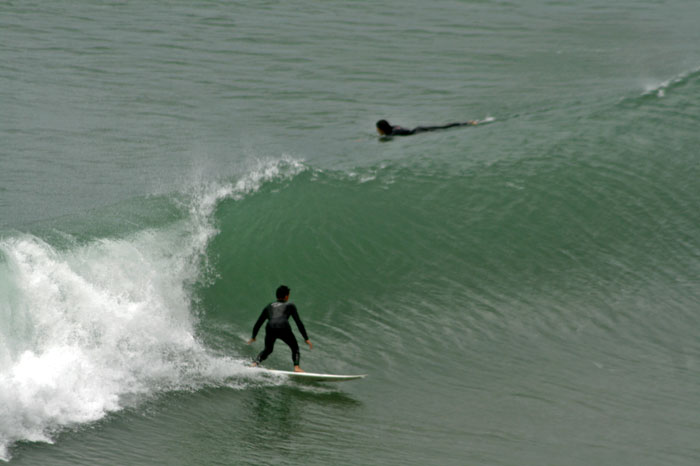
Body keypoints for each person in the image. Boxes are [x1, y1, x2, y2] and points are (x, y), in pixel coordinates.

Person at [247, 285, 312, 372]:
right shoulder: (290, 305)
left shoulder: (269, 306)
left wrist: (253, 336)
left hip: (270, 327)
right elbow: (298, 322)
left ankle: (255, 363)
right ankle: (296, 367)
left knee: (268, 350)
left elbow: (258, 323)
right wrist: (306, 338)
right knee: (295, 348)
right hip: (283, 327)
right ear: (286, 296)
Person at [376, 119, 478, 137]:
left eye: (377, 129)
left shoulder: (392, 134)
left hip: (418, 133)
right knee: (443, 127)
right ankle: (467, 123)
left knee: (443, 128)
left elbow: (386, 138)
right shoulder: (394, 127)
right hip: (418, 128)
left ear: (381, 129)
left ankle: (466, 123)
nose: (377, 130)